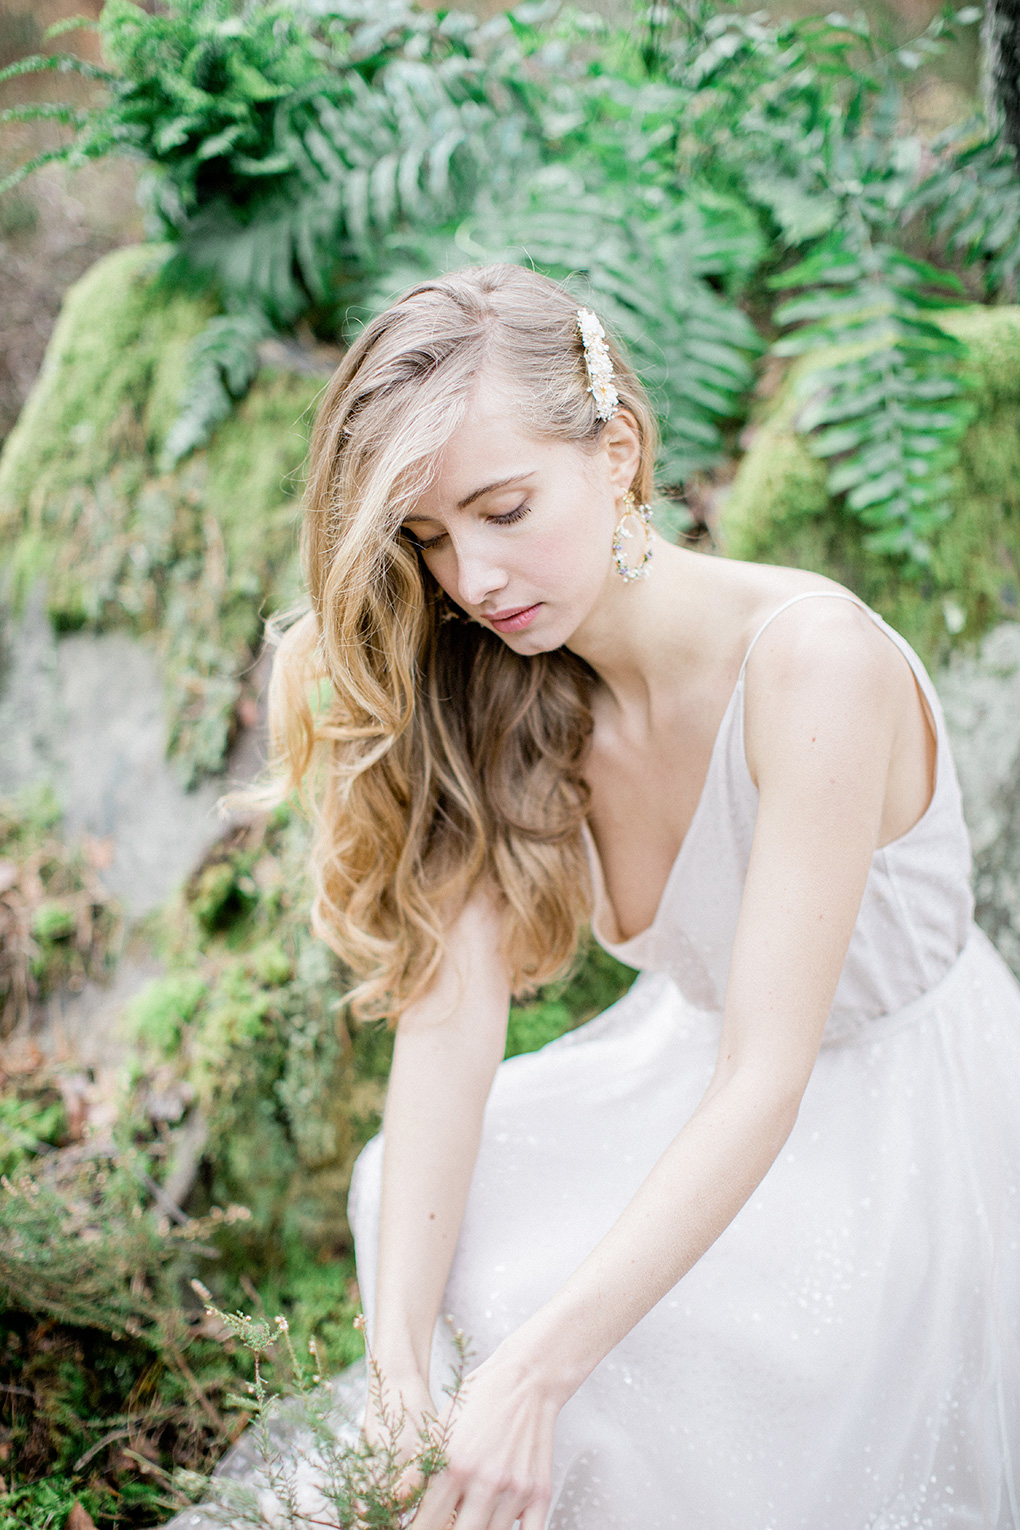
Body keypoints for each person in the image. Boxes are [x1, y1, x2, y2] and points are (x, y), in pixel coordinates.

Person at [266, 263, 1020, 1529]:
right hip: (688, 1076)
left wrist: (537, 1371)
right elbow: (450, 1026)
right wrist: (396, 1376)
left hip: (891, 1122)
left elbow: (768, 1075)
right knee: (421, 1209)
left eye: (506, 509)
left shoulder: (816, 666)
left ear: (615, 452)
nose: (473, 578)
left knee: (603, 1367)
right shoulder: (511, 682)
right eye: (431, 540)